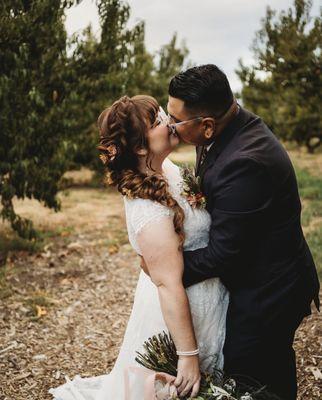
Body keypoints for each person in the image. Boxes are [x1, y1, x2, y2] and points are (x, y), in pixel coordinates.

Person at [49, 94, 230, 400]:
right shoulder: (149, 209)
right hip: (180, 314)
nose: (169, 123)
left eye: (162, 114)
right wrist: (187, 355)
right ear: (140, 147)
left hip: (208, 297)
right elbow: (167, 283)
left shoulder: (166, 169)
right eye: (158, 122)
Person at [163, 64, 320, 400]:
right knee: (268, 368)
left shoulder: (246, 161)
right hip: (259, 270)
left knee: (250, 372)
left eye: (175, 120)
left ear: (206, 126)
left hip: (271, 288)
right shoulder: (224, 126)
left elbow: (224, 254)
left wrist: (166, 274)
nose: (169, 126)